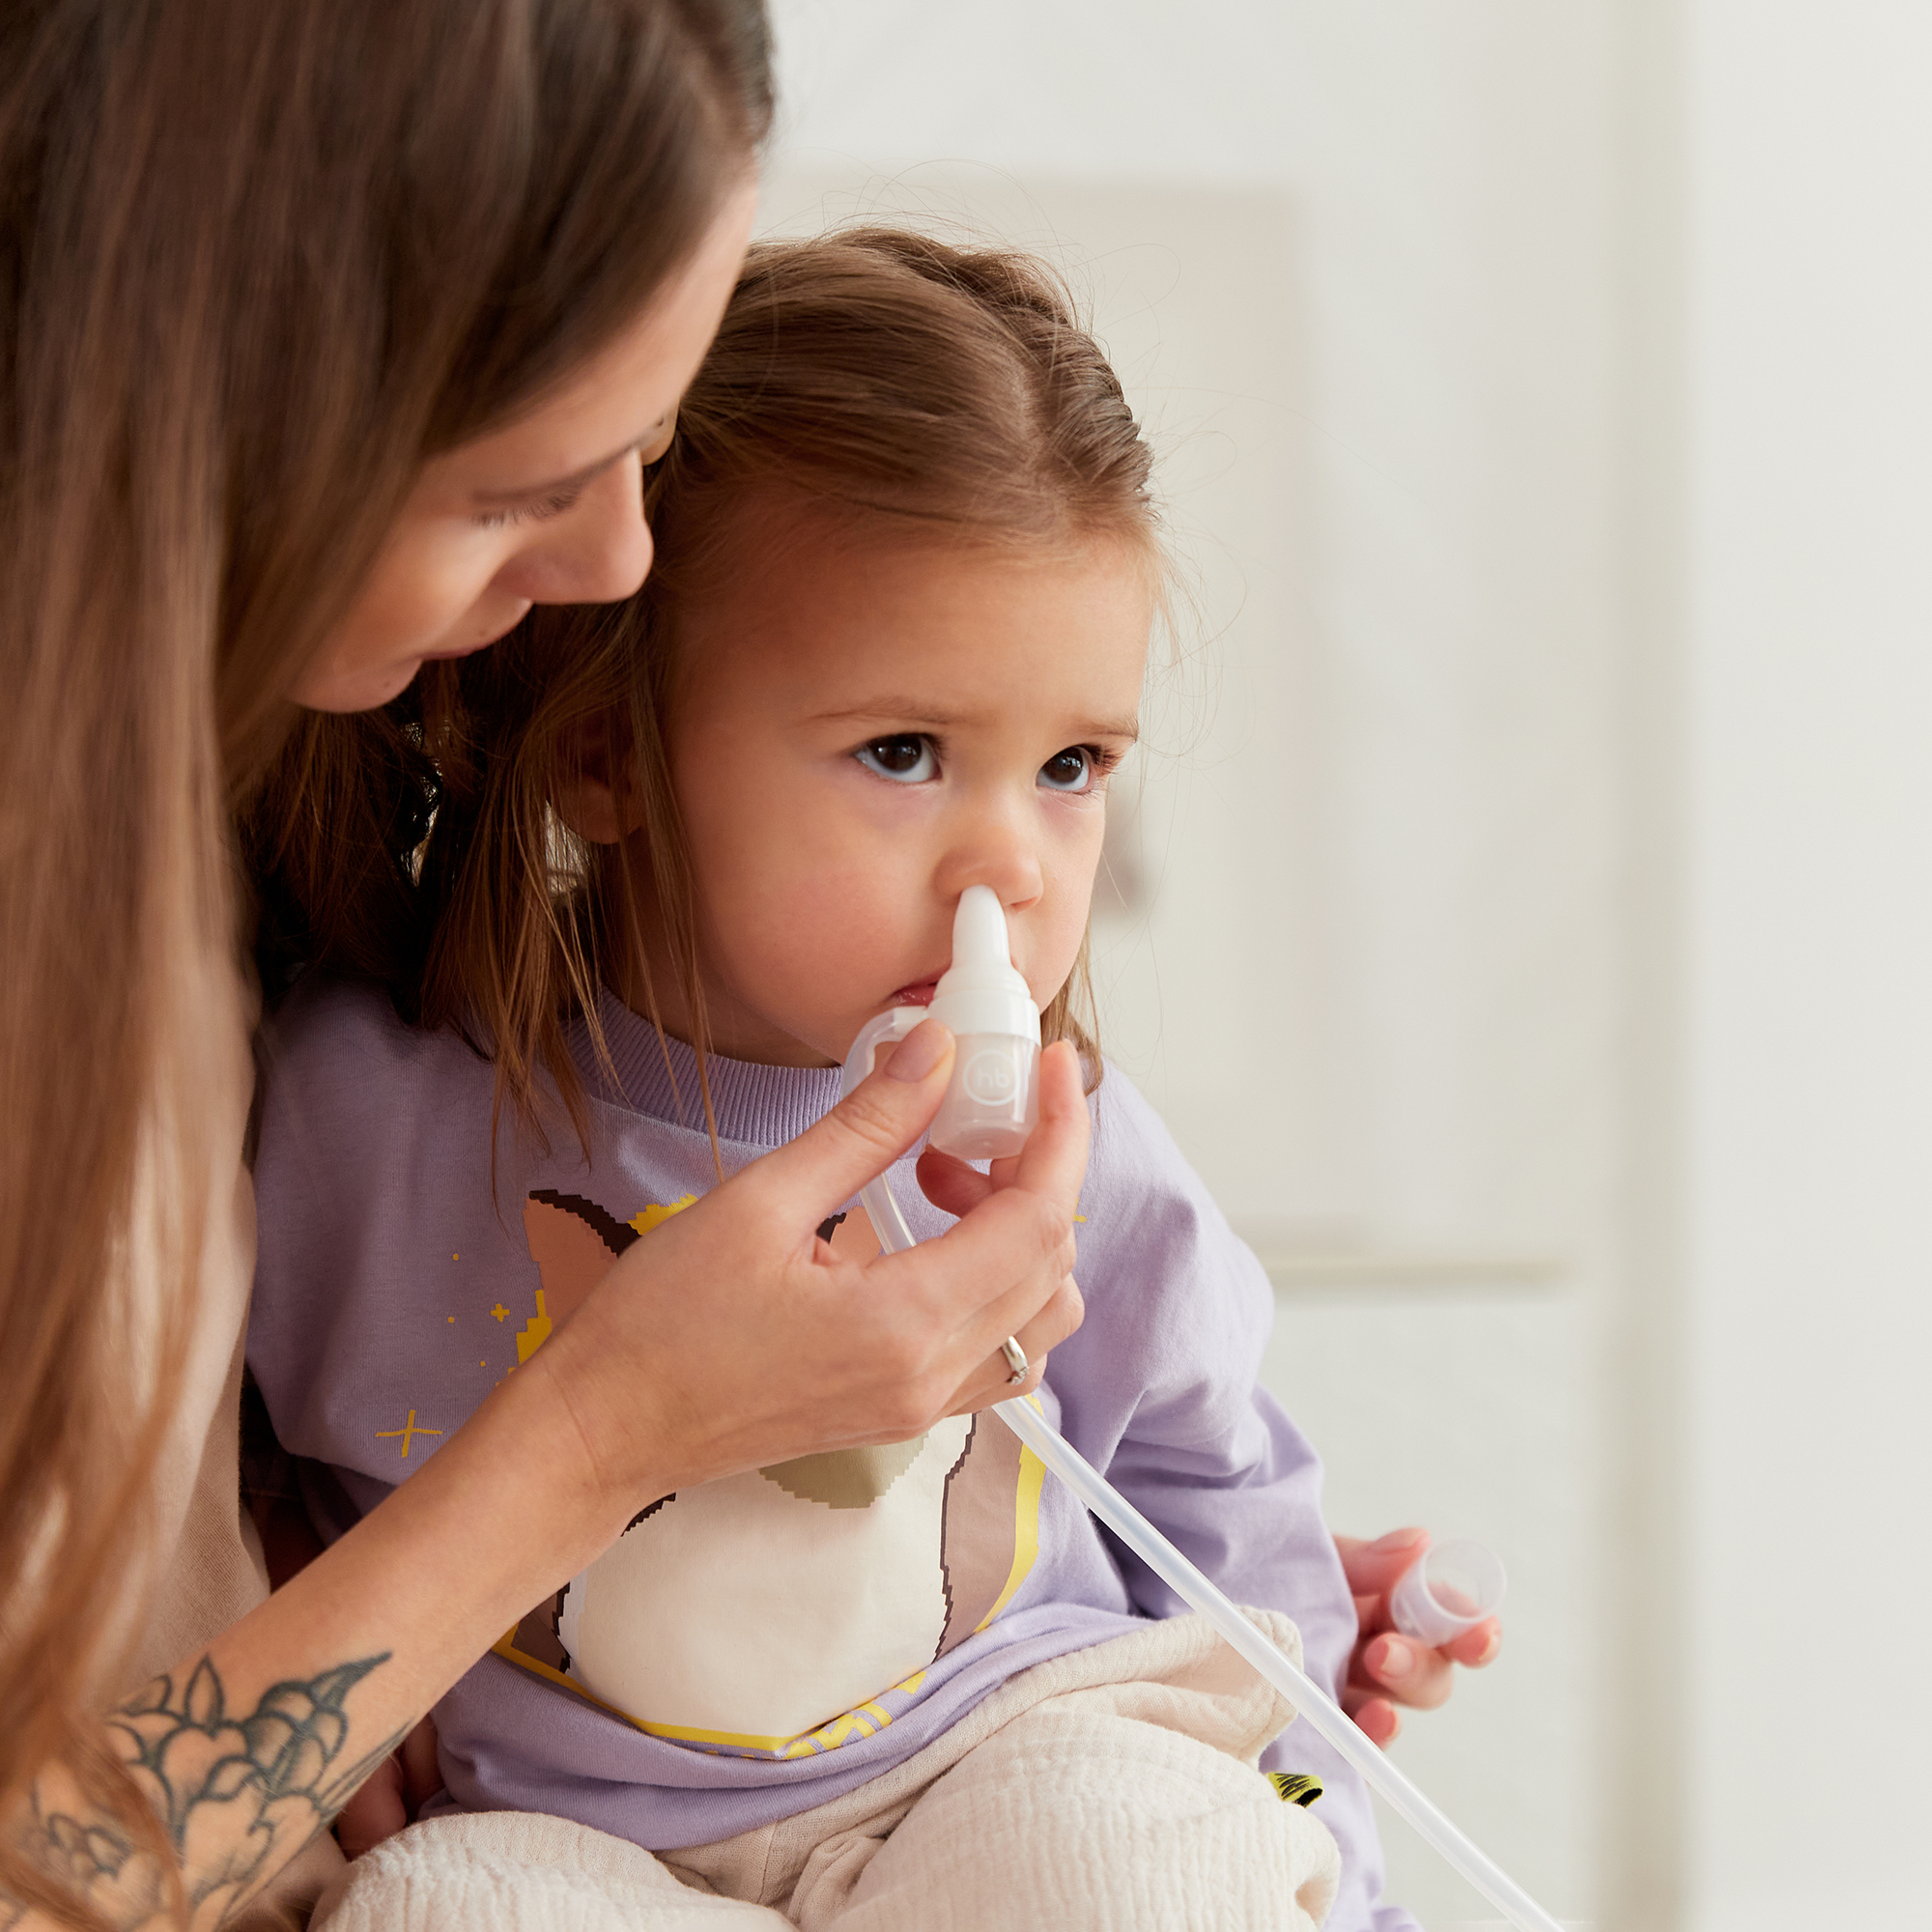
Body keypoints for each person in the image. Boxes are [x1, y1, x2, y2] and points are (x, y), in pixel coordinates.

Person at [244, 229, 1473, 1932]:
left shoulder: (1075, 1158)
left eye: (1070, 768)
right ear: (607, 751)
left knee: (1140, 1858)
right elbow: (228, 1454)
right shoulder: (359, 1125)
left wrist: (1326, 1847)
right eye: (903, 753)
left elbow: (1228, 1503)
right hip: (571, 1832)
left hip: (1006, 1758)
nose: (1012, 867)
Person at [0, 9, 1090, 1926]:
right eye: (519, 488)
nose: (613, 565)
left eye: (647, 458)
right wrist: (594, 1440)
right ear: (238, 404)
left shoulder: (249, 837)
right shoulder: (317, 1077)